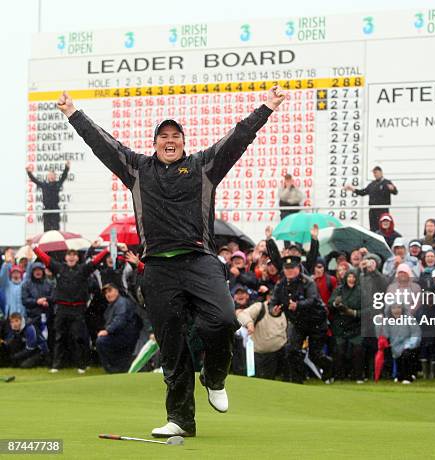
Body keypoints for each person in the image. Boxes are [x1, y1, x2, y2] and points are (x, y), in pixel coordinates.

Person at [57, 86, 285, 437]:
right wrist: (74, 113)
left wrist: (266, 107)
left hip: (201, 261)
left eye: (175, 136)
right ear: (154, 142)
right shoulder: (136, 169)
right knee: (172, 346)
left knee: (223, 319)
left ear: (183, 141)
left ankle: (214, 376)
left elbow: (238, 137)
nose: (170, 141)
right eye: (163, 136)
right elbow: (103, 144)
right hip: (159, 269)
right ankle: (180, 420)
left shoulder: (203, 166)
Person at [32, 245, 109, 373]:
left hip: (78, 308)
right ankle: (56, 365)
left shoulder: (83, 269)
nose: (71, 257)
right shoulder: (59, 268)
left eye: (74, 255)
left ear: (77, 258)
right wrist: (35, 249)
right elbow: (46, 259)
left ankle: (82, 365)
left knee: (79, 338)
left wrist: (107, 250)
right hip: (62, 308)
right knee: (59, 337)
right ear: (66, 258)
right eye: (69, 255)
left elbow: (95, 261)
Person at [268, 255, 332, 384]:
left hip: (316, 322)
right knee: (291, 350)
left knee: (315, 354)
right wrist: (273, 311)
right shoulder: (280, 285)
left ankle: (330, 368)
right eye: (287, 269)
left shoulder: (308, 282)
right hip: (297, 322)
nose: (289, 271)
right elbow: (273, 302)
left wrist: (298, 305)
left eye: (292, 268)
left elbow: (312, 299)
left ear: (298, 268)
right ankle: (297, 380)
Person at [236, 291, 287, 380]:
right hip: (256, 355)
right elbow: (242, 314)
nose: (277, 307)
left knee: (271, 383)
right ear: (268, 298)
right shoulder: (259, 307)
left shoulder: (285, 310)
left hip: (276, 356)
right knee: (254, 382)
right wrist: (249, 323)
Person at [96, 283, 139, 374]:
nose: (108, 294)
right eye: (106, 293)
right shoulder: (113, 305)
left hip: (125, 336)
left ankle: (112, 369)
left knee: (101, 341)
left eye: (110, 291)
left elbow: (120, 320)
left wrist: (107, 331)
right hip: (120, 335)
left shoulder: (121, 303)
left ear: (117, 291)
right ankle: (116, 368)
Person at [328, 268, 363, 382]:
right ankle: (339, 376)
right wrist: (336, 304)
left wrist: (354, 313)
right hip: (340, 325)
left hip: (356, 326)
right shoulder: (339, 290)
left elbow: (368, 310)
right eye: (349, 277)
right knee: (339, 350)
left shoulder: (362, 291)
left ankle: (357, 376)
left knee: (357, 351)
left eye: (353, 277)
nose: (351, 279)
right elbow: (330, 304)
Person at [344, 166, 398, 231]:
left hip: (382, 210)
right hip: (372, 210)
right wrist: (352, 189)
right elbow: (363, 192)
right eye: (374, 173)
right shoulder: (372, 184)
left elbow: (395, 192)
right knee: (373, 229)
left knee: (383, 228)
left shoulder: (387, 182)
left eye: (376, 172)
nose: (375, 174)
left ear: (381, 172)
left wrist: (393, 189)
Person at [26, 161, 70, 231]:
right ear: (47, 177)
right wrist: (29, 172)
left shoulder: (57, 184)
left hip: (55, 209)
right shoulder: (44, 185)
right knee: (46, 230)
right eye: (50, 175)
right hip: (46, 210)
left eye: (53, 175)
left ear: (55, 177)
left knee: (56, 229)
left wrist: (67, 167)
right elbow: (34, 180)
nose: (51, 176)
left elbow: (63, 177)